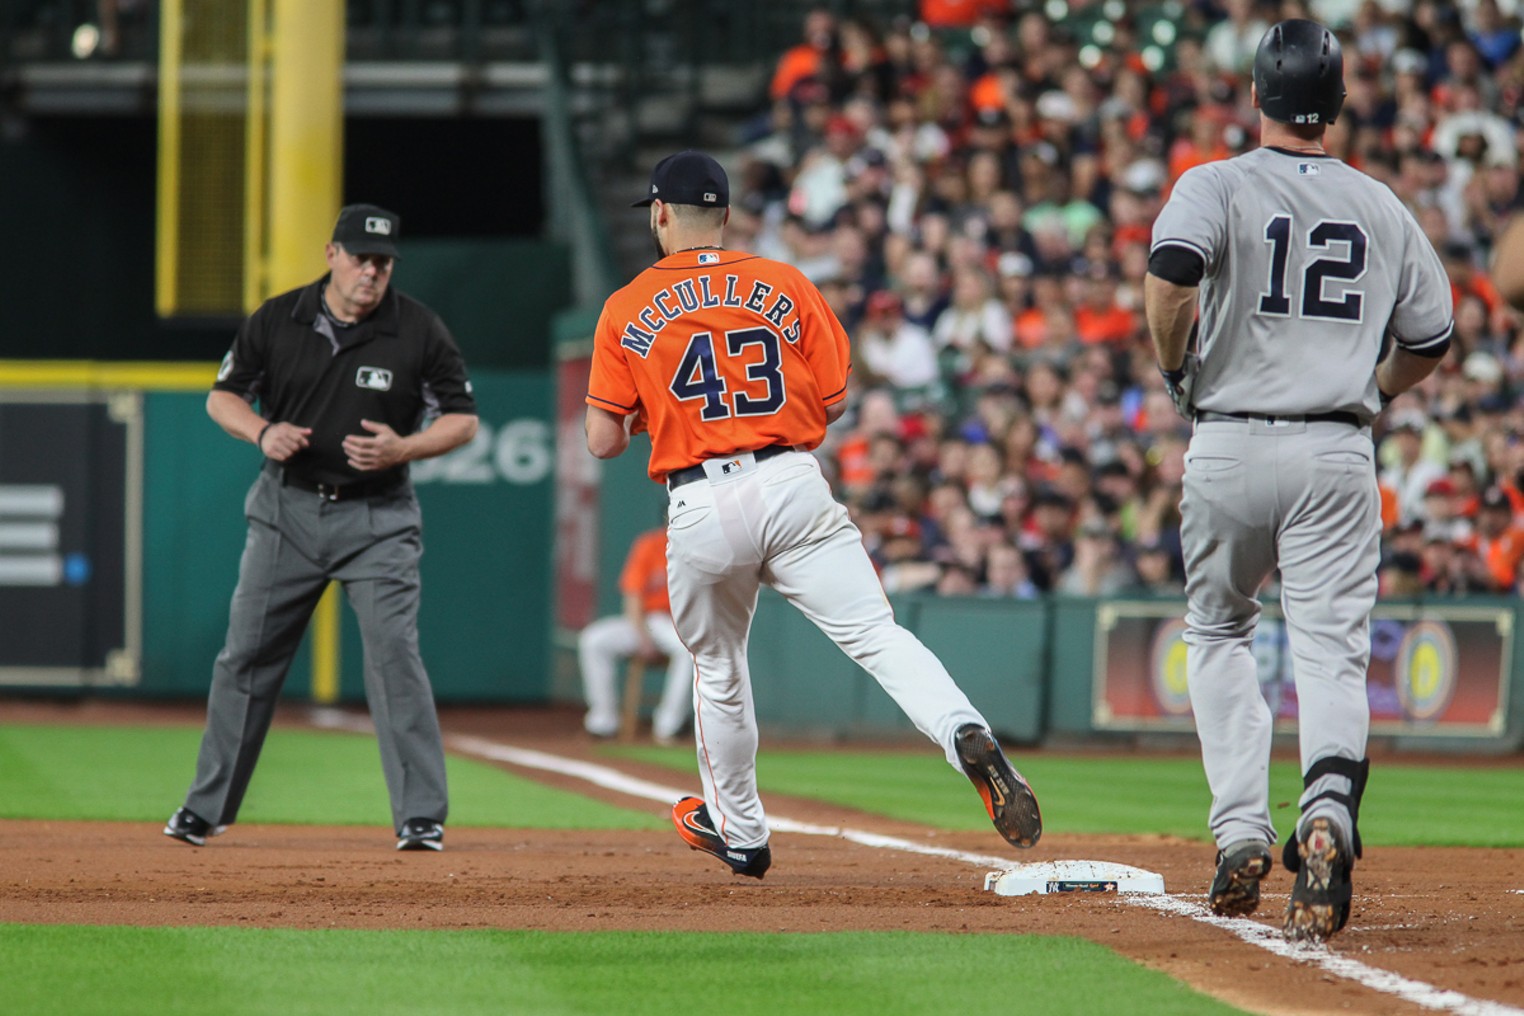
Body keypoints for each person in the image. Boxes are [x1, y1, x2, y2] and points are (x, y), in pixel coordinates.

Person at [585, 150, 1041, 879]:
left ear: (661, 214)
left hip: (699, 497)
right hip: (791, 481)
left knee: (718, 668)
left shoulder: (625, 306)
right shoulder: (784, 280)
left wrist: (660, 408)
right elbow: (830, 399)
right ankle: (963, 731)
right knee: (877, 635)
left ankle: (741, 832)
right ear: (727, 216)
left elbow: (602, 439)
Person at [1145, 21, 1451, 943]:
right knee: (1327, 646)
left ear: (1256, 94)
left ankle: (1241, 829)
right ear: (1341, 100)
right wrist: (1373, 392)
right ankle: (1328, 809)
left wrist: (1175, 373)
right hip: (1335, 447)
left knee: (1218, 628)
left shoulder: (1216, 182)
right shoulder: (1382, 205)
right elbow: (1432, 337)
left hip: (1229, 437)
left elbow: (1170, 277)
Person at [163, 204, 479, 852]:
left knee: (395, 657)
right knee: (245, 657)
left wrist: (405, 448)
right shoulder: (279, 318)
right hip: (288, 512)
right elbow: (222, 395)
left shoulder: (417, 328)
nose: (372, 271)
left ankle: (420, 815)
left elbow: (462, 418)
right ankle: (207, 806)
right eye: (362, 257)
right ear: (332, 254)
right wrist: (261, 430)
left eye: (383, 261)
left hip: (380, 517)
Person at [578, 525, 695, 743]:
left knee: (688, 650)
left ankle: (669, 725)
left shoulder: (700, 546)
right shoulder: (650, 544)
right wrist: (642, 637)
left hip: (679, 624)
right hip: (647, 622)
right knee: (594, 640)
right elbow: (633, 595)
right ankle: (603, 722)